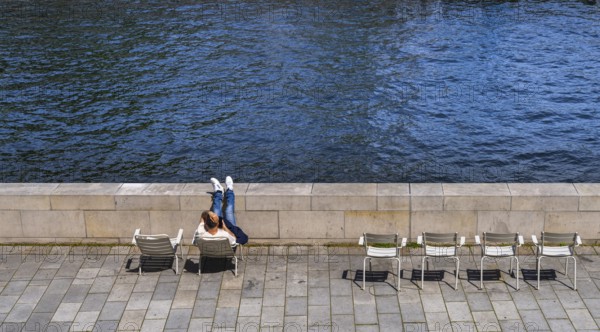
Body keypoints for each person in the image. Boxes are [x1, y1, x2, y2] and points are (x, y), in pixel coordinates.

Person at [195, 176, 248, 245]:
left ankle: (219, 191)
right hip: (228, 231)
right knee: (229, 210)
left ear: (206, 226)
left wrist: (209, 214)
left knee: (218, 210)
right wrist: (225, 228)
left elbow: (202, 217)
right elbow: (243, 239)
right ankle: (229, 190)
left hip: (212, 251)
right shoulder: (226, 236)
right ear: (218, 223)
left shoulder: (200, 233)